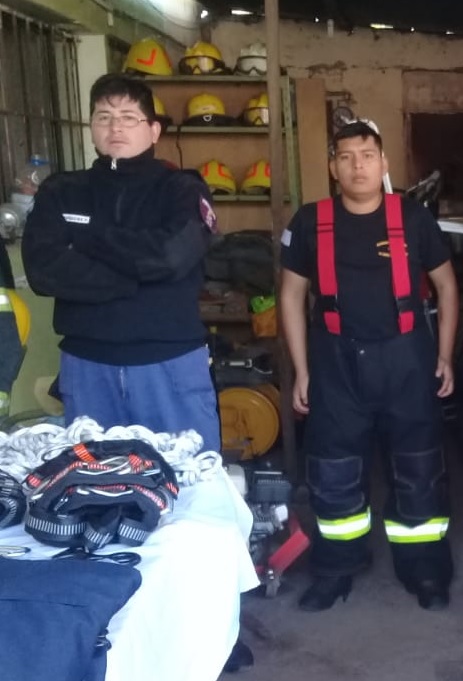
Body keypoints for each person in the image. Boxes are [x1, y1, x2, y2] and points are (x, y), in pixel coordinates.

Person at [21, 73, 252, 673]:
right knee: (87, 498)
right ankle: (114, 628)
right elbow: (47, 272)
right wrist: (135, 273)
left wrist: (91, 239)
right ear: (92, 127)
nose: (114, 127)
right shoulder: (62, 191)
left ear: (153, 129)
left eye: (128, 116)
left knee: (194, 496)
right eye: (103, 116)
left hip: (166, 364)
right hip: (89, 363)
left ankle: (218, 629)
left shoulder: (182, 190)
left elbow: (172, 255)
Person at [279, 121, 459, 612]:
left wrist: (444, 356)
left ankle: (423, 568)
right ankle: (336, 568)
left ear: (383, 164)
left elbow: (446, 286)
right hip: (335, 362)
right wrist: (302, 369)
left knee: (419, 468)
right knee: (334, 473)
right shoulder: (310, 221)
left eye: (367, 154)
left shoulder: (414, 219)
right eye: (346, 156)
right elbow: (292, 295)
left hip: (406, 360)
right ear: (333, 167)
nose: (358, 164)